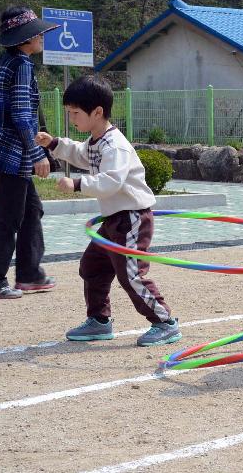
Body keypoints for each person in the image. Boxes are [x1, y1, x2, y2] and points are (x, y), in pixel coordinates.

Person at [35, 75, 181, 347]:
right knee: (92, 266)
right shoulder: (95, 141)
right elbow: (80, 153)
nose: (72, 118)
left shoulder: (115, 145)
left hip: (132, 218)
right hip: (113, 220)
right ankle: (99, 321)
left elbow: (111, 181)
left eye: (75, 113)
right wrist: (54, 143)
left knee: (131, 274)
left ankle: (165, 322)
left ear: (97, 112)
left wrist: (78, 183)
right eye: (70, 113)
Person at [0, 6, 59, 299]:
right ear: (26, 39)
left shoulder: (0, 63)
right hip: (15, 153)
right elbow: (22, 114)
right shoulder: (21, 65)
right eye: (38, 34)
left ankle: (30, 274)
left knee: (32, 210)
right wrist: (36, 153)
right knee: (9, 218)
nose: (42, 37)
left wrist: (0, 124)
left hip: (1, 146)